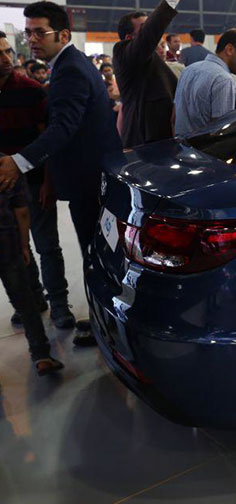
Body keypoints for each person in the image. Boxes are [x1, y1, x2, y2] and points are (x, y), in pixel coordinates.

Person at [0, 1, 123, 346]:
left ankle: (107, 328)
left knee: (96, 255)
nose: (32, 40)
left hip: (89, 179)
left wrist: (19, 161)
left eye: (40, 32)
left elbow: (62, 128)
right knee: (97, 253)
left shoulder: (69, 70)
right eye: (28, 33)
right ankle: (104, 322)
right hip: (91, 175)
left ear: (64, 34)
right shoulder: (69, 64)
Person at [0, 29, 75, 329]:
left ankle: (59, 304)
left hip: (34, 182)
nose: (6, 58)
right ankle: (33, 299)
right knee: (17, 250)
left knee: (47, 246)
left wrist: (48, 182)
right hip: (3, 189)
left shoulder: (31, 90)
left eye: (7, 51)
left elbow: (49, 140)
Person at [1, 178, 64, 374]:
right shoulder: (6, 170)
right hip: (6, 243)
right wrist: (23, 245)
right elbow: (22, 211)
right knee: (25, 302)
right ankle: (41, 356)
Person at [113, 0, 179, 148]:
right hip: (143, 137)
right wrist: (170, 2)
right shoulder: (122, 52)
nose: (150, 30)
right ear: (129, 38)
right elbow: (149, 33)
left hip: (159, 135)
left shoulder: (150, 58)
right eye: (144, 28)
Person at [174, 28, 236, 135]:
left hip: (180, 144)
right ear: (229, 49)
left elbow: (174, 117)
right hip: (203, 145)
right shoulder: (223, 79)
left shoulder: (188, 70)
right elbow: (221, 131)